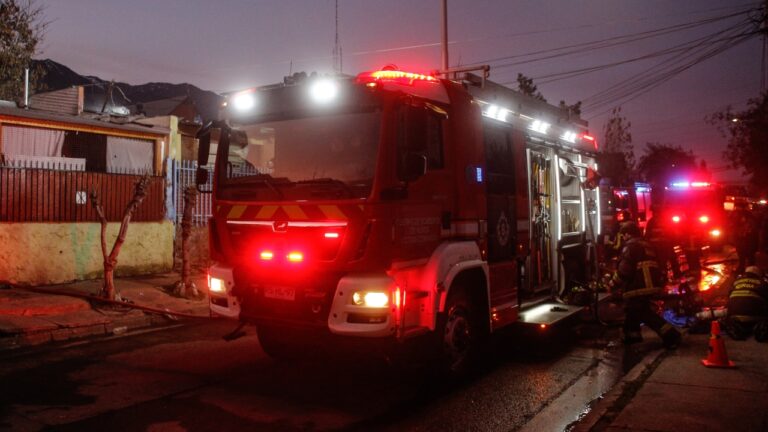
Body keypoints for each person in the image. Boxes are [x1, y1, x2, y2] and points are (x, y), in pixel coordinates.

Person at [612, 221, 682, 348]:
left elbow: (624, 270)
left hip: (638, 286)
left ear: (627, 234)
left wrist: (613, 283)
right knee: (632, 309)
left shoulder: (630, 246)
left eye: (623, 235)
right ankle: (632, 336)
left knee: (643, 312)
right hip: (650, 283)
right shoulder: (646, 244)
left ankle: (671, 335)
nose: (623, 238)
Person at [726, 266, 768, 342]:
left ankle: (739, 328)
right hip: (755, 318)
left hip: (734, 317)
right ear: (758, 274)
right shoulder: (762, 283)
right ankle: (761, 328)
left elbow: (729, 297)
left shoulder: (735, 282)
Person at [645, 205, 680, 281]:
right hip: (663, 246)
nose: (655, 213)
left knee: (663, 262)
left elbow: (647, 235)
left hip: (660, 246)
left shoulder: (652, 222)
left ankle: (666, 277)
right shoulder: (663, 221)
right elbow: (672, 233)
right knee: (669, 261)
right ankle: (675, 276)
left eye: (655, 212)